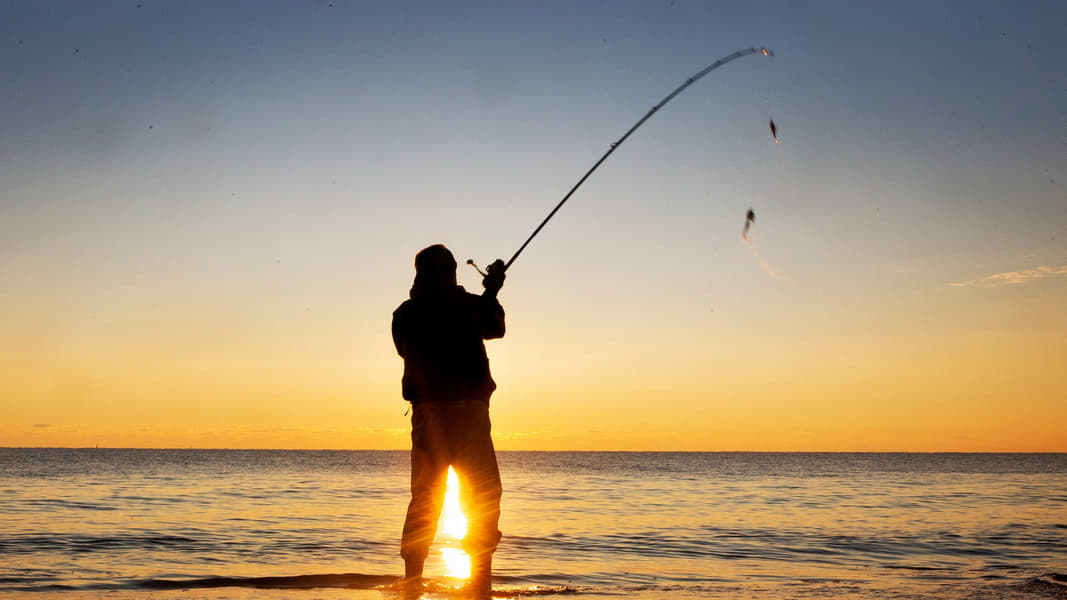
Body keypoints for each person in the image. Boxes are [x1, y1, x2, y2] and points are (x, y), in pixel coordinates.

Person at [391, 244, 506, 595]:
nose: (453, 274)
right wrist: (491, 292)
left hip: (429, 415)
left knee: (425, 496)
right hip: (469, 412)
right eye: (450, 268)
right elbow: (496, 328)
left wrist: (487, 294)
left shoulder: (405, 313)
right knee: (481, 494)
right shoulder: (470, 305)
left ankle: (413, 581)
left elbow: (403, 348)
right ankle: (479, 581)